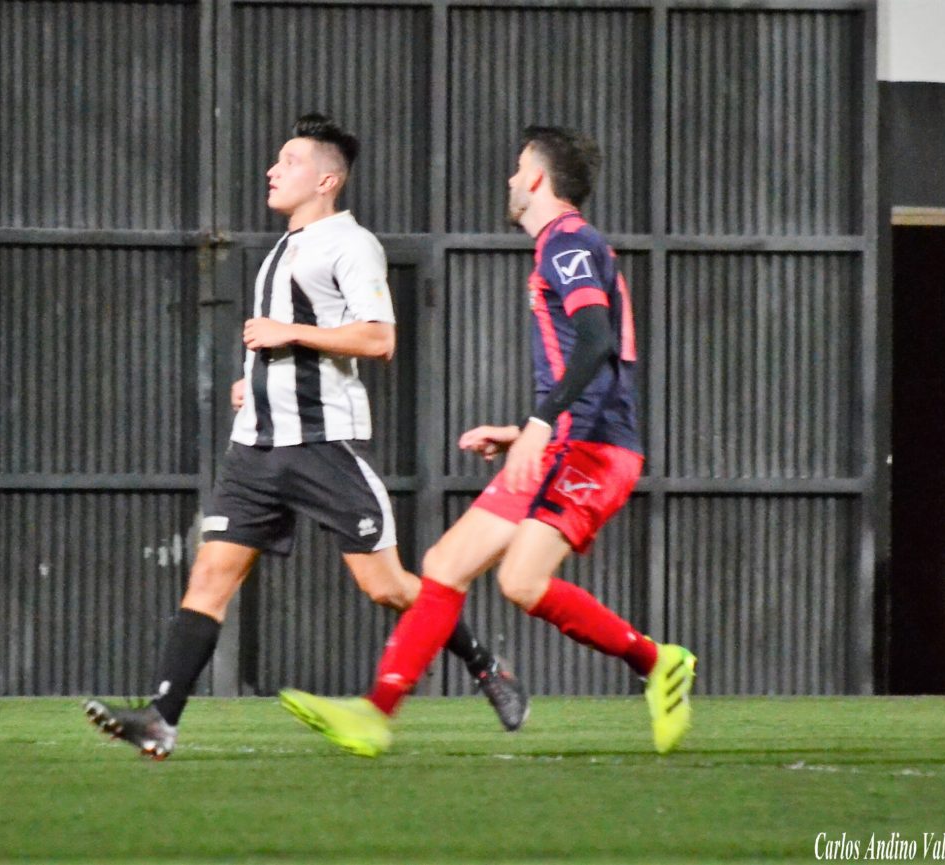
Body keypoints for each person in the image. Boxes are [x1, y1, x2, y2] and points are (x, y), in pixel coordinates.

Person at [84, 114, 528, 760]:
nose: (272, 170)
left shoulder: (352, 244)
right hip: (255, 449)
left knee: (387, 587)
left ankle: (488, 668)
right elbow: (283, 345)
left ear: (327, 180)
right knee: (209, 577)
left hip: (323, 444)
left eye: (288, 161)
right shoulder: (281, 250)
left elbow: (380, 337)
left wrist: (287, 335)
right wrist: (255, 382)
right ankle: (161, 719)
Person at [279, 126, 697, 757]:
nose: (509, 179)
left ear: (537, 179)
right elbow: (588, 356)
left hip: (594, 449)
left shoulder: (569, 242)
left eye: (518, 167)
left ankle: (656, 660)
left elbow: (596, 341)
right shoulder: (563, 245)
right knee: (445, 566)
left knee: (521, 581)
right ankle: (374, 714)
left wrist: (541, 423)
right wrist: (526, 430)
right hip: (565, 441)